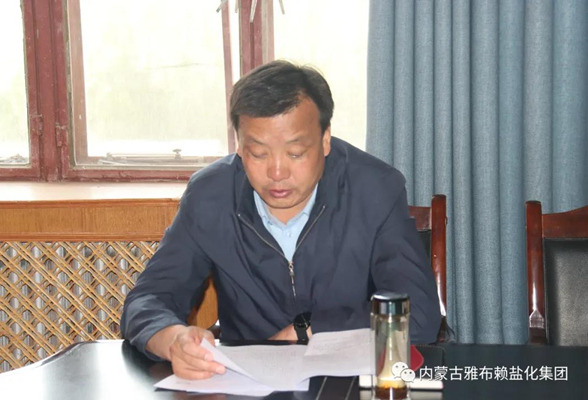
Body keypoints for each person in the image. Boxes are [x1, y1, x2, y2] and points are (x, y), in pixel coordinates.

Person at [121, 60, 441, 380]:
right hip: (248, 383)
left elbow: (417, 316)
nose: (277, 172)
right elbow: (148, 299)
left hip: (352, 383)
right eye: (258, 153)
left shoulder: (374, 188)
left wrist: (309, 330)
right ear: (239, 145)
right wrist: (173, 339)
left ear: (325, 139)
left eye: (295, 153)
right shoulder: (210, 196)